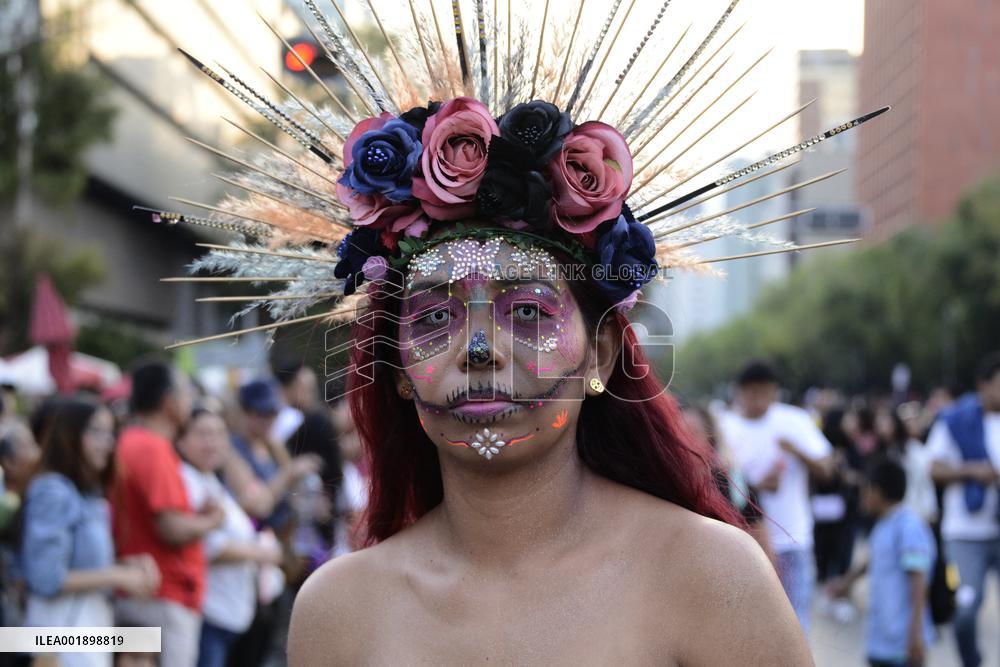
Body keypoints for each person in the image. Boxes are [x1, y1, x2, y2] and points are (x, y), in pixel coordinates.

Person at [288, 234, 810, 664]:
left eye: (530, 312)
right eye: (433, 318)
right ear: (400, 370)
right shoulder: (338, 609)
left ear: (600, 359)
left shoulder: (710, 573)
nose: (479, 351)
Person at [20, 398, 160, 667]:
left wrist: (126, 567)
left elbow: (78, 562)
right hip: (57, 639)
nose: (107, 443)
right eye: (96, 431)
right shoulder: (53, 490)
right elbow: (46, 578)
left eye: (110, 432)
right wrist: (117, 575)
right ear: (69, 435)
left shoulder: (85, 493)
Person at [110, 360, 223, 667]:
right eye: (186, 394)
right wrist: (211, 521)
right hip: (163, 594)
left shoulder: (133, 441)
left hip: (147, 592)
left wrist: (194, 517)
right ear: (168, 401)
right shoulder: (152, 448)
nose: (190, 402)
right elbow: (170, 529)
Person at [719, 360, 834, 633]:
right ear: (739, 392)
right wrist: (755, 484)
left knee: (795, 624)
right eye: (752, 393)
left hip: (792, 540)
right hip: (745, 545)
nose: (759, 400)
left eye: (765, 392)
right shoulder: (725, 426)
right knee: (752, 629)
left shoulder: (795, 421)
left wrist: (797, 450)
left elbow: (828, 470)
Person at [177, 407, 282, 667]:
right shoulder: (184, 480)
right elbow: (209, 547)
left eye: (219, 434)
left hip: (230, 613)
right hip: (208, 613)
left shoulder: (211, 479)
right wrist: (262, 553)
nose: (212, 442)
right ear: (181, 439)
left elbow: (259, 504)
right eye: (203, 434)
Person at [928, 351, 1000, 667]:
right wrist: (971, 471)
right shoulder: (955, 420)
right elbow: (933, 469)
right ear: (983, 384)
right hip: (964, 534)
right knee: (965, 610)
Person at [828, 457, 936, 667]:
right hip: (880, 640)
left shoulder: (908, 526)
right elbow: (871, 561)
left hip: (902, 644)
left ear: (878, 491)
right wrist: (845, 583)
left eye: (866, 489)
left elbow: (919, 581)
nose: (863, 496)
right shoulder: (883, 524)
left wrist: (915, 635)